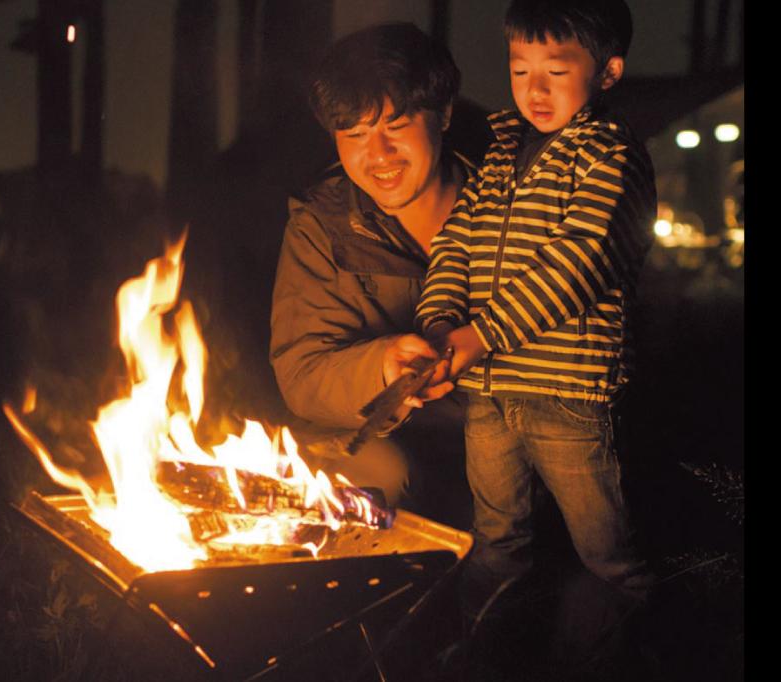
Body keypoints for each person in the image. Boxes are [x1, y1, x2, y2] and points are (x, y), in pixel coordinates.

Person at [412, 0, 657, 613]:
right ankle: (491, 649)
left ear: (607, 72)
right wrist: (441, 323)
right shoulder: (501, 156)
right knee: (496, 542)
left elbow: (579, 262)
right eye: (520, 70)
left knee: (607, 553)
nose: (534, 89)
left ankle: (651, 647)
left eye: (556, 69)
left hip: (569, 392)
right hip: (490, 395)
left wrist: (480, 335)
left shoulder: (611, 156)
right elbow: (456, 240)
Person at [269, 23, 489, 517]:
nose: (379, 154)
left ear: (443, 114)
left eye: (397, 125)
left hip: (497, 431)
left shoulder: (507, 206)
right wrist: (382, 366)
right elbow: (302, 373)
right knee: (384, 476)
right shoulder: (323, 226)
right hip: (380, 438)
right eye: (355, 133)